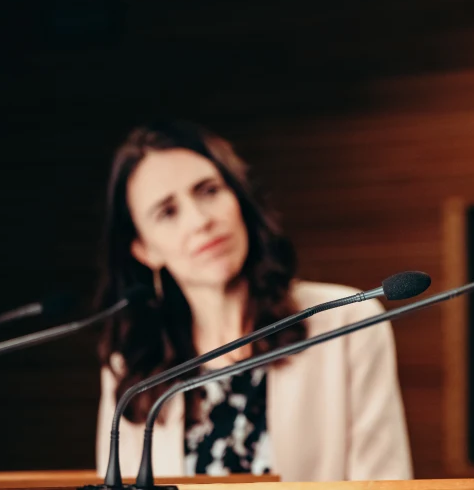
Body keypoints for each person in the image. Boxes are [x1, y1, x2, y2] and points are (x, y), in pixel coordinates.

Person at [94, 121, 413, 481]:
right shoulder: (132, 364)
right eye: (167, 212)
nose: (200, 220)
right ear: (144, 249)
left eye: (209, 191)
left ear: (238, 198)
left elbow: (383, 481)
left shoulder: (347, 321)